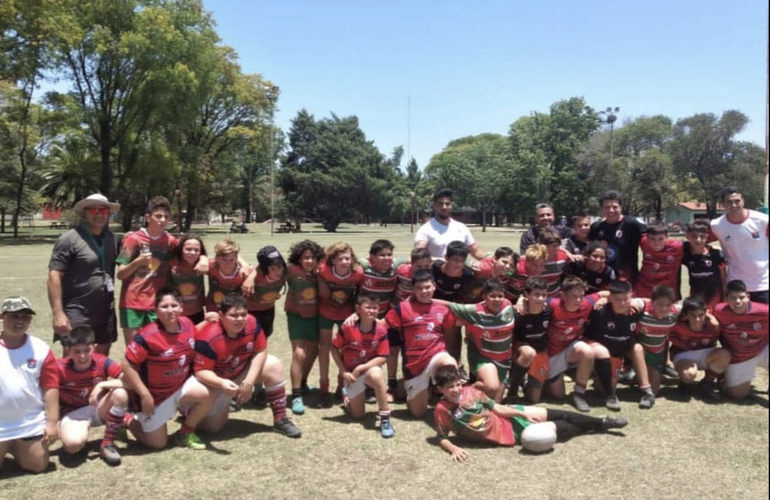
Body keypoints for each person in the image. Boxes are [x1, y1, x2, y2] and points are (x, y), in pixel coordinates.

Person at [433, 365, 628, 462]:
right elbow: (441, 437)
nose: (457, 390)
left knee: (561, 413)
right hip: (511, 434)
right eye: (450, 387)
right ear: (440, 389)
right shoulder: (442, 411)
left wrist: (523, 415)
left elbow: (499, 409)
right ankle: (592, 428)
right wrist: (454, 449)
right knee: (564, 427)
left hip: (511, 415)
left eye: (458, 384)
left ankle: (603, 422)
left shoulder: (473, 392)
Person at [190, 294, 301, 437]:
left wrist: (248, 383)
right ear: (221, 315)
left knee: (273, 364)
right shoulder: (208, 336)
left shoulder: (252, 323)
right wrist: (222, 384)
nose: (240, 319)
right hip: (213, 382)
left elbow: (260, 351)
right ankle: (191, 410)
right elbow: (201, 372)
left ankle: (280, 418)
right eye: (234, 316)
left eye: (243, 314)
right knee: (212, 429)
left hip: (237, 372)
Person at [121, 288, 212, 450]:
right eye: (164, 307)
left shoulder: (187, 323)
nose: (170, 310)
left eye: (174, 305)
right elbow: (127, 365)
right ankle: (126, 419)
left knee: (206, 393)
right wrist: (144, 394)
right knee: (157, 444)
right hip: (154, 396)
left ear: (181, 307)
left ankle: (185, 433)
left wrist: (209, 321)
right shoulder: (148, 335)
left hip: (179, 387)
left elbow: (193, 336)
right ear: (156, 310)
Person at [48, 193, 120, 355]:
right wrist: (58, 313)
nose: (100, 214)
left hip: (105, 308)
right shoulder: (69, 239)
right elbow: (54, 276)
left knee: (102, 353)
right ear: (85, 213)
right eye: (94, 210)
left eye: (104, 211)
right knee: (74, 354)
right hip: (77, 309)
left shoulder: (111, 238)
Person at [384, 269, 458, 417]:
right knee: (418, 413)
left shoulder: (442, 309)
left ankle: (456, 407)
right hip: (414, 364)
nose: (424, 291)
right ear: (413, 290)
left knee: (449, 363)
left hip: (437, 355)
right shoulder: (402, 308)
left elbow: (450, 335)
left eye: (427, 287)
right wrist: (356, 316)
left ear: (434, 286)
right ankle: (415, 392)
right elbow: (382, 326)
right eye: (419, 288)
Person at [0, 297, 59, 474]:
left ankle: (17, 446)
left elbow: (51, 387)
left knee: (38, 465)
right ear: (2, 317)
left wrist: (52, 422)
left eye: (25, 317)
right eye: (14, 316)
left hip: (29, 422)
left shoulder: (40, 349)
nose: (20, 321)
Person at [56, 326, 128, 466]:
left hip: (99, 407)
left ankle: (107, 444)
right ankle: (121, 421)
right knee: (73, 446)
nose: (82, 356)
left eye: (86, 350)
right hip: (73, 413)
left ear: (94, 348)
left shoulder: (103, 362)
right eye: (76, 351)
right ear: (69, 350)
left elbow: (128, 381)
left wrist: (101, 385)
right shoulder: (59, 367)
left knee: (120, 393)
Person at [117, 197, 181, 345]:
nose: (162, 220)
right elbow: (120, 274)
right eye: (158, 216)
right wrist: (137, 262)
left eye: (166, 217)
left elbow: (191, 253)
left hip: (158, 304)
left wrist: (203, 258)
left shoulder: (171, 242)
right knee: (133, 349)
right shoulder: (134, 239)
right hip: (132, 303)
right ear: (147, 217)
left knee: (156, 347)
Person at [585, 281, 655, 411]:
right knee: (602, 390)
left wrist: (637, 301)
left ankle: (647, 391)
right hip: (606, 354)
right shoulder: (600, 311)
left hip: (625, 348)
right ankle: (607, 382)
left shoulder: (636, 308)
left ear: (631, 296)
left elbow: (658, 302)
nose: (622, 303)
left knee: (637, 348)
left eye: (625, 299)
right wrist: (602, 298)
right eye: (617, 299)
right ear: (610, 298)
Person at [331, 293, 393, 438]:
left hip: (367, 371)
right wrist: (343, 371)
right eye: (368, 307)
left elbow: (383, 357)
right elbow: (333, 347)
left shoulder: (381, 329)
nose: (372, 311)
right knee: (358, 416)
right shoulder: (348, 327)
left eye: (375, 308)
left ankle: (385, 418)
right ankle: (347, 398)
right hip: (351, 375)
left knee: (377, 375)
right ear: (358, 309)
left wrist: (360, 368)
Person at [444, 279, 515, 402]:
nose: (497, 300)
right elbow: (449, 305)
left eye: (500, 296)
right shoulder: (475, 311)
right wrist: (423, 300)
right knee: (492, 387)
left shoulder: (508, 306)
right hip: (483, 357)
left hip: (504, 360)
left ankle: (474, 399)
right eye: (492, 296)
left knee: (494, 404)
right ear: (484, 297)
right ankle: (466, 391)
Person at [318, 242, 365, 406]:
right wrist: (320, 282)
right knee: (324, 347)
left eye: (348, 258)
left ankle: (342, 386)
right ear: (333, 261)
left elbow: (360, 294)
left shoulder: (358, 273)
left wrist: (355, 312)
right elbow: (314, 271)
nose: (345, 262)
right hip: (326, 311)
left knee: (345, 348)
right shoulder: (324, 270)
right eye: (341, 259)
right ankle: (323, 387)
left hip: (346, 314)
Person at [284, 240, 325, 415]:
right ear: (299, 259)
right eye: (305, 258)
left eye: (312, 258)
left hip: (315, 315)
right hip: (296, 315)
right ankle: (296, 395)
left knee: (314, 350)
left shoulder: (322, 272)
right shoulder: (291, 270)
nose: (309, 261)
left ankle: (303, 382)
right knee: (299, 353)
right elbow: (263, 267)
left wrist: (320, 276)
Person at [710, 186, 768, 304]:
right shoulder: (717, 226)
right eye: (729, 202)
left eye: (737, 201)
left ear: (743, 201)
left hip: (764, 284)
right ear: (723, 204)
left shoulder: (763, 221)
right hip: (735, 285)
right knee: (737, 322)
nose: (734, 205)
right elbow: (698, 241)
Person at [712, 280, 769, 400]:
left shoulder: (764, 311)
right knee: (738, 395)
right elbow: (701, 312)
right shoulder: (719, 310)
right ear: (726, 298)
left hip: (762, 349)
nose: (737, 302)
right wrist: (711, 318)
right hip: (739, 357)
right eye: (733, 298)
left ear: (748, 297)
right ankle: (724, 378)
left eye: (741, 297)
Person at [389, 247, 432, 400]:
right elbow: (393, 262)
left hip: (415, 318)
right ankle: (391, 383)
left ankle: (423, 381)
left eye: (427, 266)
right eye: (419, 266)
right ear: (411, 264)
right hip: (395, 314)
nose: (423, 269)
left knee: (410, 350)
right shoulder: (401, 270)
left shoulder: (430, 278)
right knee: (393, 350)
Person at [669, 297, 730, 402]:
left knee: (725, 355)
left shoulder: (713, 324)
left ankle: (706, 384)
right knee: (689, 374)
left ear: (705, 313)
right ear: (686, 314)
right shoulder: (676, 325)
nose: (697, 319)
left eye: (701, 315)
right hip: (683, 355)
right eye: (693, 315)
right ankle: (685, 385)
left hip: (706, 353)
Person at [509, 277, 552, 404]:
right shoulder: (517, 312)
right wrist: (520, 300)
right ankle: (513, 388)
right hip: (520, 350)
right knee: (528, 353)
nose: (540, 298)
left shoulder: (549, 310)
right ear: (527, 294)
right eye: (536, 295)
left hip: (540, 352)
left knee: (534, 399)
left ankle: (526, 380)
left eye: (544, 295)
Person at [431, 241, 474, 365]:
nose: (459, 264)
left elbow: (463, 300)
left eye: (462, 260)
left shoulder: (467, 275)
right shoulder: (435, 268)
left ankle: (457, 364)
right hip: (431, 307)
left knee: (455, 324)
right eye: (455, 260)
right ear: (446, 258)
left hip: (452, 308)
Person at [589, 190, 646, 284]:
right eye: (607, 207)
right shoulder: (596, 227)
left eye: (615, 207)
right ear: (601, 209)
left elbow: (653, 237)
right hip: (602, 279)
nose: (611, 210)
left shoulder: (632, 224)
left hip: (626, 279)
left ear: (621, 207)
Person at [415, 188, 485, 260]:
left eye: (447, 204)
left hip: (459, 270)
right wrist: (444, 261)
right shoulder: (426, 229)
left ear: (451, 206)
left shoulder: (461, 228)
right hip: (436, 270)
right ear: (435, 206)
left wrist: (490, 259)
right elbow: (419, 256)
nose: (444, 207)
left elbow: (475, 251)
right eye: (440, 204)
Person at [635, 286, 680, 395]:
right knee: (636, 349)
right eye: (660, 304)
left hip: (656, 354)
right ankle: (631, 370)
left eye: (668, 305)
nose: (664, 308)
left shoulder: (674, 313)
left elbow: (696, 307)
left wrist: (710, 317)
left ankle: (636, 378)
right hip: (639, 352)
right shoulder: (642, 312)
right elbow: (629, 301)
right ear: (652, 302)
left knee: (654, 391)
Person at [242, 245, 287, 339]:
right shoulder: (252, 275)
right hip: (250, 311)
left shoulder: (286, 272)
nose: (278, 272)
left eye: (280, 267)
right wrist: (250, 277)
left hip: (268, 310)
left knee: (264, 336)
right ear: (264, 268)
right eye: (273, 269)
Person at [682, 219, 726, 311]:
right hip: (696, 294)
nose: (698, 240)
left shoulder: (716, 254)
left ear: (707, 237)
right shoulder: (686, 254)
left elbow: (723, 277)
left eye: (702, 236)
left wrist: (725, 295)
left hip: (714, 295)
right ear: (688, 236)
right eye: (694, 236)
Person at [635, 224, 684, 300]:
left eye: (660, 239)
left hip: (666, 292)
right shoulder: (643, 242)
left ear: (667, 237)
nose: (656, 243)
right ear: (647, 238)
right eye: (652, 239)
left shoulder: (678, 247)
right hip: (644, 290)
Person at [168, 233, 207, 325]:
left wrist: (203, 258)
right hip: (175, 313)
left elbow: (230, 257)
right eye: (188, 249)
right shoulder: (172, 263)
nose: (192, 253)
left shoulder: (203, 265)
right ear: (181, 249)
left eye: (196, 250)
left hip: (197, 312)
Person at [358, 239, 401, 318]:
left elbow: (410, 259)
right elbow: (354, 260)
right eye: (382, 255)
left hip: (384, 314)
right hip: (365, 314)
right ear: (373, 257)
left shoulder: (394, 268)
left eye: (389, 254)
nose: (386, 258)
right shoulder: (366, 269)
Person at [206, 239, 247, 313]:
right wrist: (202, 258)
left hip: (234, 314)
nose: (228, 264)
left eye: (231, 260)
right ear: (217, 258)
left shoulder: (243, 272)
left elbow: (257, 268)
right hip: (213, 312)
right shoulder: (211, 266)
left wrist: (251, 275)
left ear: (237, 258)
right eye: (224, 260)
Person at [539, 229, 570, 297]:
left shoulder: (563, 257)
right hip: (538, 296)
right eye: (554, 245)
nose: (557, 248)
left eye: (558, 245)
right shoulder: (536, 259)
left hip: (556, 294)